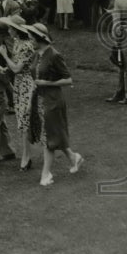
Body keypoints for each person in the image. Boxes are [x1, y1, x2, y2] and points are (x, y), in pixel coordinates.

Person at [29, 24, 84, 187]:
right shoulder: (36, 55)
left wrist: (47, 82)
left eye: (32, 37)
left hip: (53, 100)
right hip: (39, 99)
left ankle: (46, 174)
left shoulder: (54, 55)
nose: (30, 40)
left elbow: (68, 80)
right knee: (53, 133)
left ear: (40, 38)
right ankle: (74, 158)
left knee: (48, 138)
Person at [0, 16, 39, 170]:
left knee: (25, 122)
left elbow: (17, 68)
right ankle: (26, 156)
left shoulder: (26, 45)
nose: (8, 30)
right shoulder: (17, 43)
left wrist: (4, 55)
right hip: (19, 84)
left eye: (11, 28)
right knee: (21, 122)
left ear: (17, 30)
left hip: (26, 83)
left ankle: (27, 158)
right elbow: (13, 68)